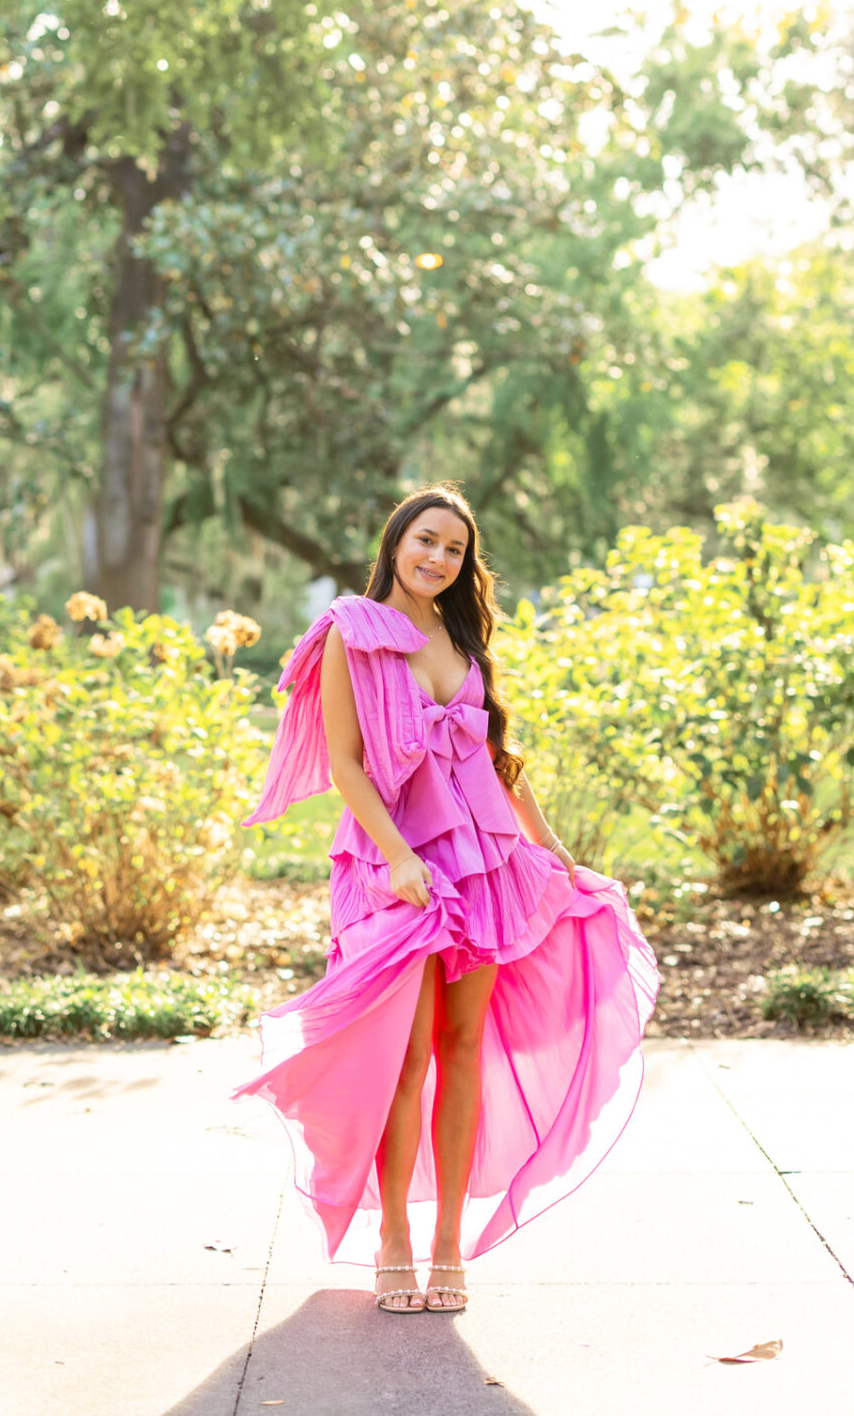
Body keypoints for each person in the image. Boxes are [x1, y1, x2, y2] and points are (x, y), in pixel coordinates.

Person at [233, 484, 659, 1313]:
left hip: (485, 862)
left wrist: (553, 848)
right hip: (399, 865)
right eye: (425, 540)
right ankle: (392, 1234)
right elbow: (348, 764)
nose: (437, 558)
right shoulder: (350, 630)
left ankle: (447, 1243)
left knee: (462, 1049)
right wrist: (396, 857)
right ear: (396, 541)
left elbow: (498, 755)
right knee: (405, 1054)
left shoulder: (461, 635)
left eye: (454, 549)